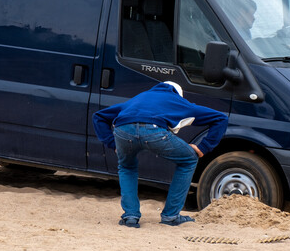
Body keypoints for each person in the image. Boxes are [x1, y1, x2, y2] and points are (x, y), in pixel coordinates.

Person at [92, 81, 228, 228]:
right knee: (188, 160)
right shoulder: (179, 102)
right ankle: (171, 216)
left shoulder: (139, 98)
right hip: (154, 130)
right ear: (178, 94)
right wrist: (203, 147)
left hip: (123, 131)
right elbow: (221, 118)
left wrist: (113, 144)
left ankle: (130, 216)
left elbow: (99, 116)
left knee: (126, 167)